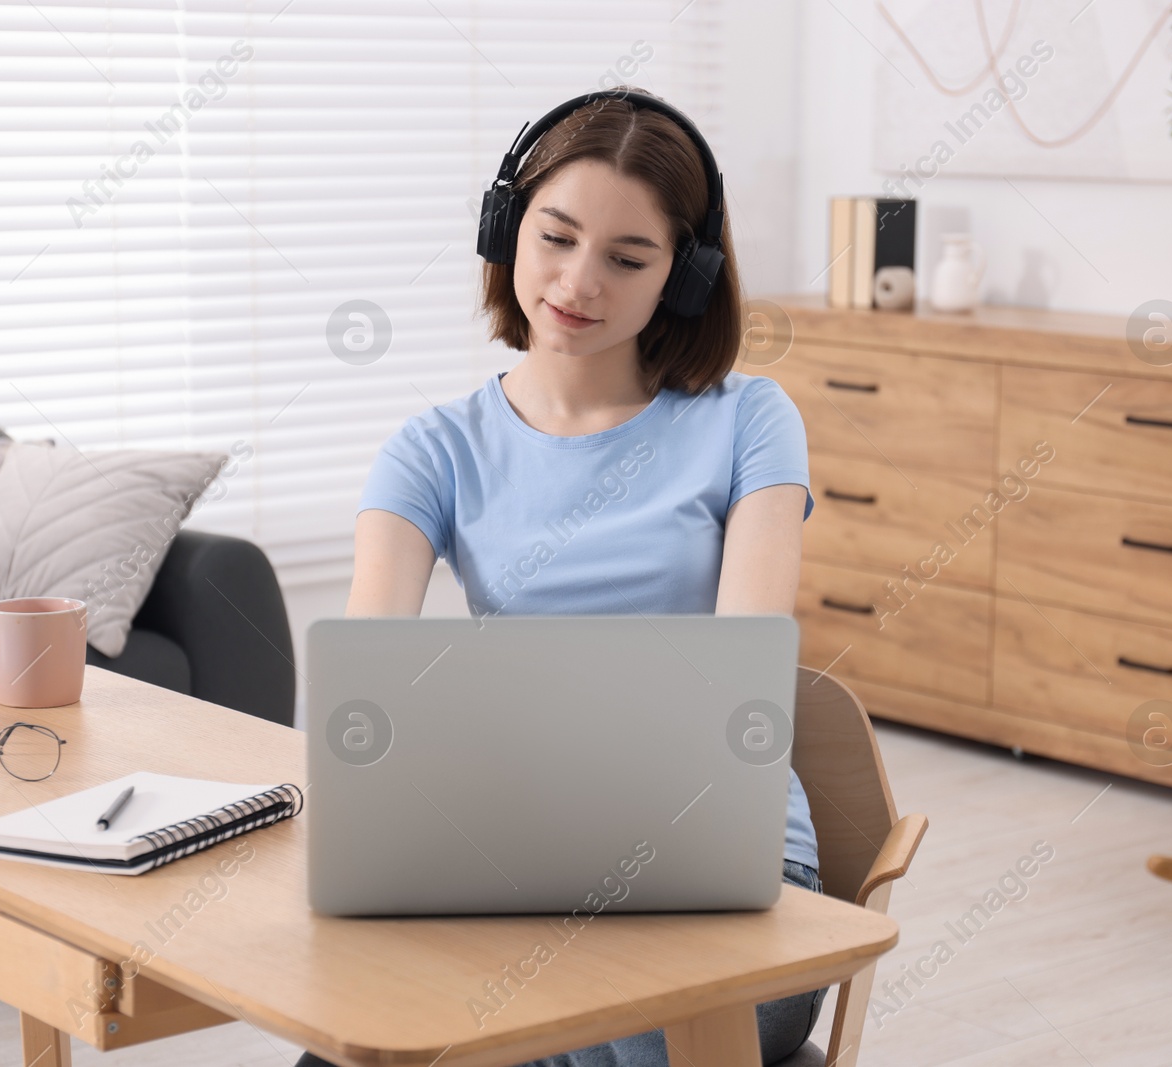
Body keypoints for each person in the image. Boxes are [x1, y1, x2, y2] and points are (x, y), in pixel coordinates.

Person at [298, 87, 827, 1067]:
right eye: (556, 237)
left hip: (735, 881)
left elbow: (739, 683)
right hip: (518, 872)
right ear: (506, 230)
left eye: (628, 259)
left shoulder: (750, 420)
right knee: (362, 1033)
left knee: (551, 1033)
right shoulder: (432, 450)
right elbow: (362, 702)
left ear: (683, 276)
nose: (579, 281)